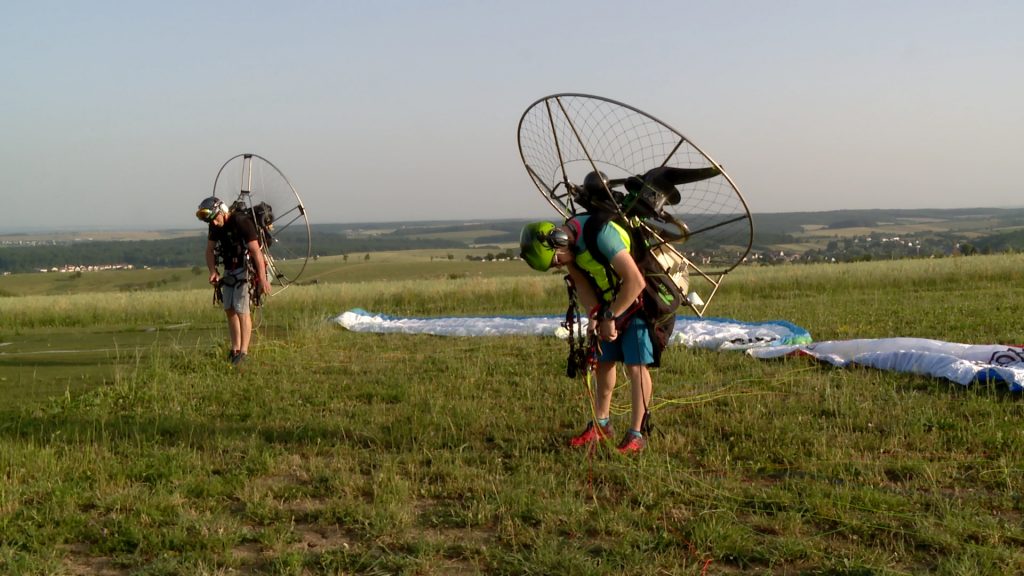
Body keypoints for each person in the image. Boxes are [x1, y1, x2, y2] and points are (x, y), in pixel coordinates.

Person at [519, 216, 653, 454]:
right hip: (609, 305)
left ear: (558, 242)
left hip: (638, 302)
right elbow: (582, 285)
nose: (559, 265)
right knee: (603, 361)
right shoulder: (569, 248)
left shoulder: (601, 234)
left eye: (555, 260)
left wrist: (610, 316)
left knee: (636, 366)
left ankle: (636, 434)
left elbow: (635, 282)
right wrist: (595, 316)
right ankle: (601, 426)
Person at [195, 197, 272, 367]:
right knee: (229, 309)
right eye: (210, 221)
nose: (214, 223)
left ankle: (244, 352)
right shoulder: (214, 226)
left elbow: (256, 252)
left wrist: (263, 279)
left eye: (216, 218)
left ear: (222, 211)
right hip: (229, 270)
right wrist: (213, 271)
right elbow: (209, 250)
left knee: (242, 310)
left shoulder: (241, 222)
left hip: (245, 269)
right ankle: (235, 349)